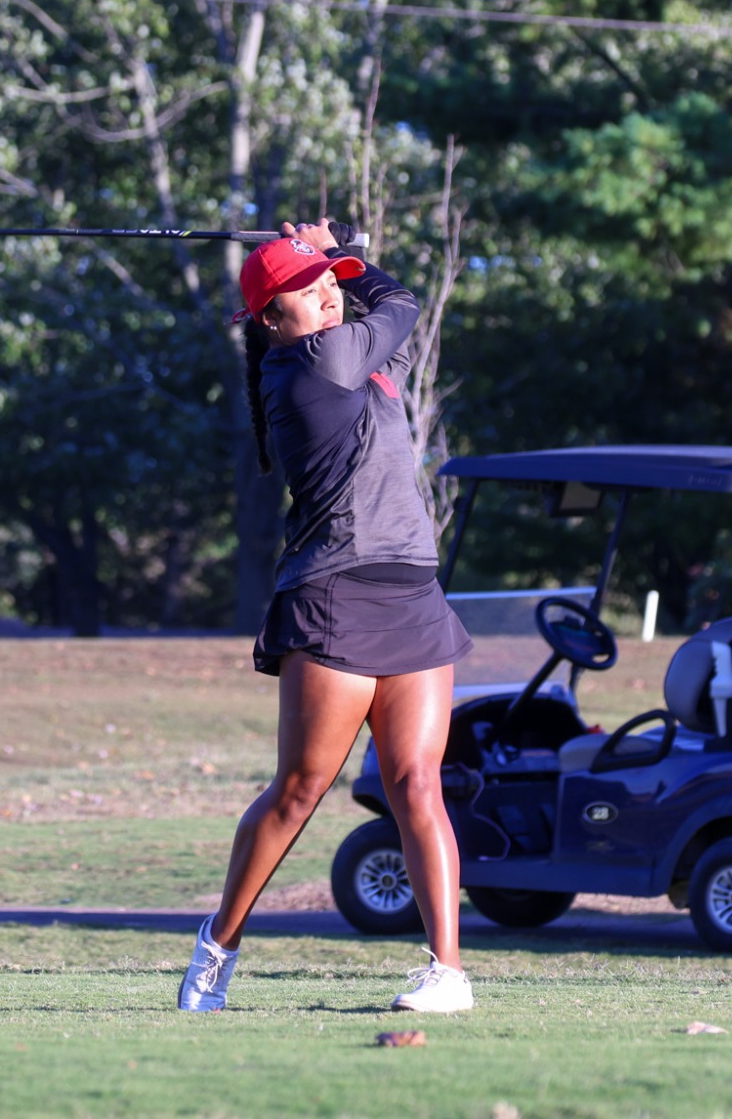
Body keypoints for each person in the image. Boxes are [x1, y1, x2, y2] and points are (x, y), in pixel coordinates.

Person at [178, 217, 474, 1014]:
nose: (329, 295)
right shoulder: (306, 363)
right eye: (307, 291)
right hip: (335, 593)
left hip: (410, 586)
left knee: (419, 784)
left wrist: (325, 247)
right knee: (301, 790)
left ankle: (447, 971)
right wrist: (348, 254)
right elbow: (401, 304)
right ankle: (218, 947)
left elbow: (386, 309)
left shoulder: (350, 351)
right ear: (272, 322)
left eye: (330, 282)